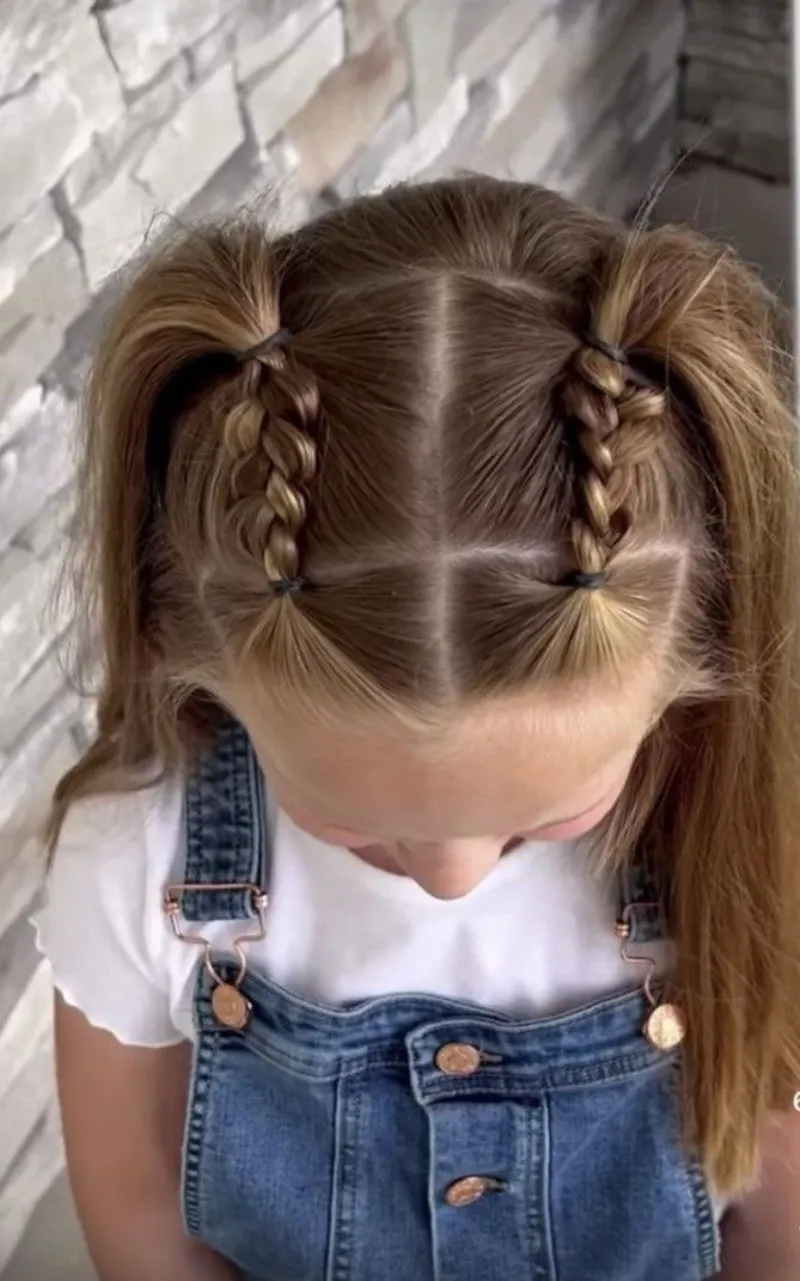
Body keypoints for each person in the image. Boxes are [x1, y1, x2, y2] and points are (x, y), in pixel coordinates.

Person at [36, 175, 800, 1281]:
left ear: (698, 676)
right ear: (196, 659)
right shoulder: (140, 869)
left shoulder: (757, 852)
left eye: (545, 816)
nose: (450, 879)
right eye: (348, 817)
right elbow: (143, 1223)